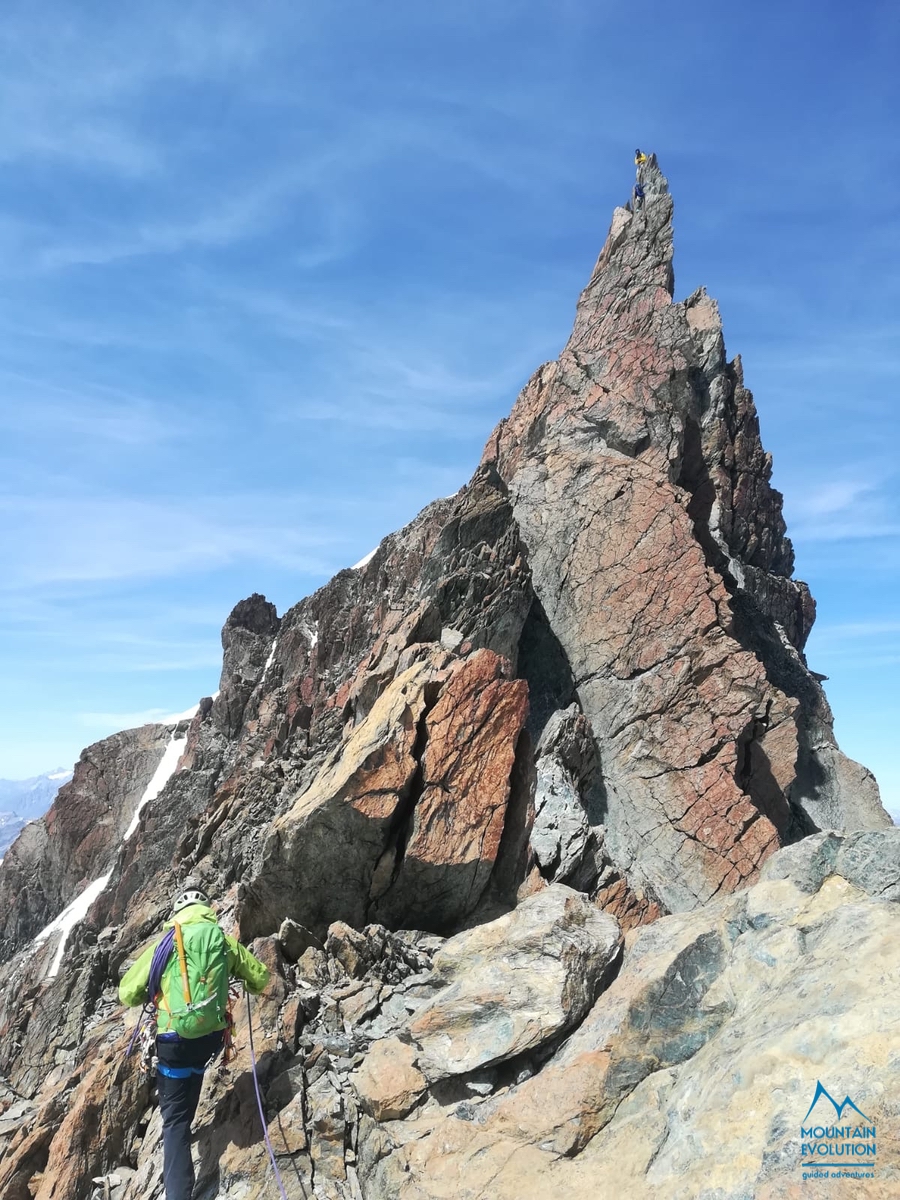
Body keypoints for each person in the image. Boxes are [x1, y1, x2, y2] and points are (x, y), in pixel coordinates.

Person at [119, 883, 270, 1200]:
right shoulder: (221, 941)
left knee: (173, 1122)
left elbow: (127, 993)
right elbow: (259, 978)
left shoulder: (165, 944)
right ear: (207, 911)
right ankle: (187, 1112)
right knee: (194, 1069)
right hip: (211, 1041)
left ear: (177, 913)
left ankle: (178, 1193)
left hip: (174, 1042)